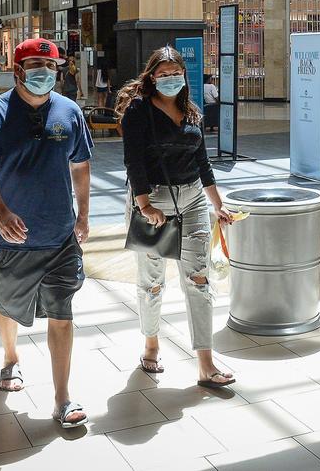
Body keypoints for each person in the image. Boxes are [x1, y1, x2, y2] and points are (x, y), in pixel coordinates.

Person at [0, 38, 93, 429]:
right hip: (13, 238)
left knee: (62, 313)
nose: (45, 72)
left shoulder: (69, 111)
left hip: (60, 234)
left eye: (51, 66)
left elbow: (80, 166)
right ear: (17, 70)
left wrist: (83, 216)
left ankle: (62, 398)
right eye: (36, 65)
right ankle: (10, 358)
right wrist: (0, 212)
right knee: (7, 306)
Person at [117, 46, 238, 386]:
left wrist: (217, 204)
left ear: (184, 75)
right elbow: (133, 161)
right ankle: (151, 345)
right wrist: (144, 205)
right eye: (163, 74)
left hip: (193, 201)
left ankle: (206, 363)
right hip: (153, 199)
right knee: (152, 282)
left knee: (199, 280)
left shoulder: (190, 111)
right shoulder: (139, 110)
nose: (170, 79)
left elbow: (203, 163)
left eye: (176, 73)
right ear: (152, 77)